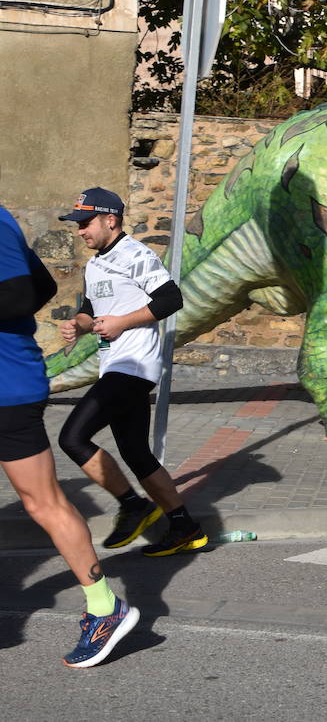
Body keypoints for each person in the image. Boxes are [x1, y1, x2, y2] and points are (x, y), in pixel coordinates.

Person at [0, 205, 139, 667]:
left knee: (43, 502)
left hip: (8, 390)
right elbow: (43, 284)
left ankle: (106, 609)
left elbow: (22, 295)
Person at [56, 188, 206, 556]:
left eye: (85, 223)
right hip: (116, 365)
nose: (80, 232)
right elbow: (89, 310)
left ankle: (134, 505)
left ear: (111, 220)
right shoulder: (94, 264)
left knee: (72, 438)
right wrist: (79, 325)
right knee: (136, 453)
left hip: (134, 365)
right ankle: (185, 527)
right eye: (77, 225)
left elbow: (171, 298)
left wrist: (123, 322)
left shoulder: (136, 255)